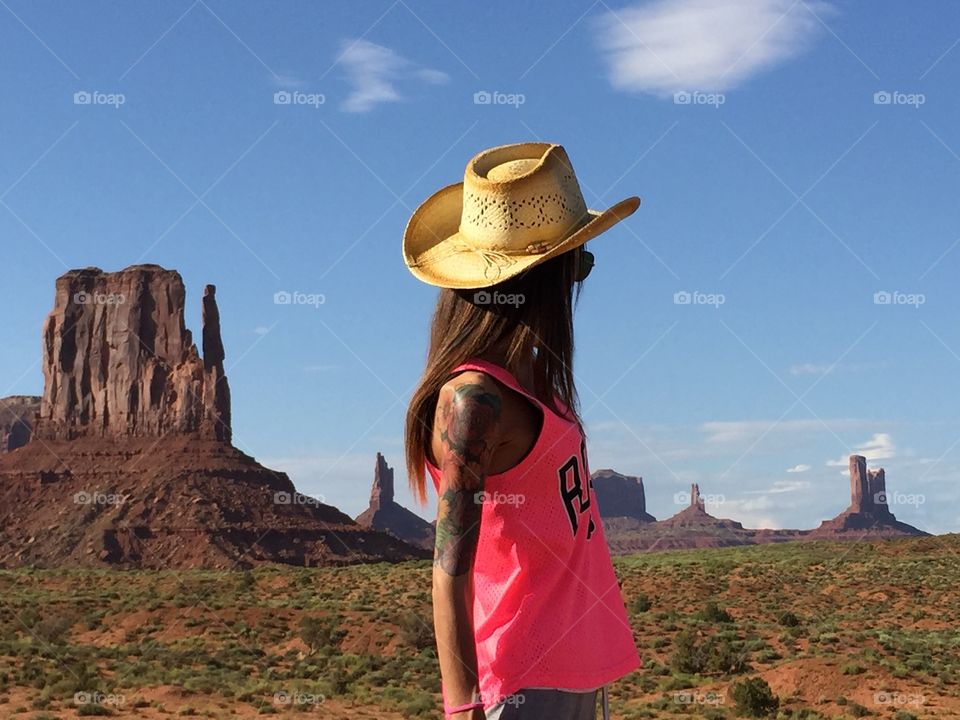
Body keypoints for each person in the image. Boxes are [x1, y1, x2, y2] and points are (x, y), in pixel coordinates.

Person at [403, 142, 642, 720]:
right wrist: (462, 708)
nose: (580, 277)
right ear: (540, 277)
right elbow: (449, 570)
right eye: (577, 262)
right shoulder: (473, 401)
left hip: (569, 676)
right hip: (522, 686)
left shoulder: (533, 380)